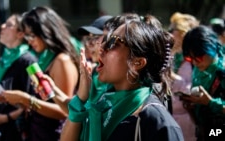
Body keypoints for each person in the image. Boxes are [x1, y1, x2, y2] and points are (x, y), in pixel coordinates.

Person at [60, 14, 184, 141]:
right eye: (104, 41)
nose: (101, 48)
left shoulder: (157, 123)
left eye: (113, 43)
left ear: (138, 62)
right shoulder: (102, 105)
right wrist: (80, 99)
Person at [0, 6, 79, 141]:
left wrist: (25, 99)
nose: (29, 41)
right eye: (26, 36)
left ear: (45, 31)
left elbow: (64, 111)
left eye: (32, 35)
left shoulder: (62, 61)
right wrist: (16, 100)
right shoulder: (44, 59)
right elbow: (42, 102)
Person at [0, 14, 37, 141]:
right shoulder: (4, 59)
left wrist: (4, 118)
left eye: (8, 25)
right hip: (2, 131)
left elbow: (32, 101)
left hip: (17, 132)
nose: (2, 26)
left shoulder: (28, 60)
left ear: (20, 34)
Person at [181, 25, 225, 141]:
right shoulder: (199, 69)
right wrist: (192, 106)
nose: (195, 62)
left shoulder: (222, 70)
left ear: (210, 48)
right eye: (190, 59)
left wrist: (211, 102)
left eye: (198, 58)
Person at [168, 12, 199, 141]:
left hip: (189, 121)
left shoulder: (196, 58)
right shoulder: (172, 55)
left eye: (172, 30)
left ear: (183, 33)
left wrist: (173, 77)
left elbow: (196, 90)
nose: (170, 34)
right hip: (171, 117)